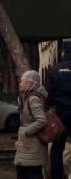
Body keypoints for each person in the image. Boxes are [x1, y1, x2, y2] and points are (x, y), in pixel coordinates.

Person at [15, 70, 48, 179]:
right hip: (28, 146)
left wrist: (26, 132)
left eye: (22, 81)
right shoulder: (28, 96)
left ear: (30, 83)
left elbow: (41, 121)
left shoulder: (33, 98)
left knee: (32, 173)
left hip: (33, 146)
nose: (20, 83)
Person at [45, 49, 71, 179]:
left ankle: (57, 175)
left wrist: (50, 108)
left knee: (57, 148)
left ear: (62, 54)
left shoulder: (54, 70)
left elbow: (47, 94)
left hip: (60, 116)